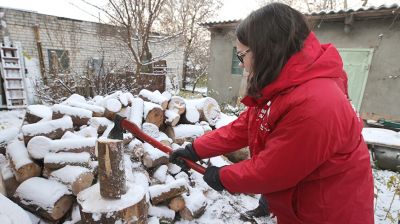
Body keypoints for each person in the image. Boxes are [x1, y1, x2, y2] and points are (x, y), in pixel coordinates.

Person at [170, 3, 374, 224]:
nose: (244, 66)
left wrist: (222, 177)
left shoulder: (316, 104)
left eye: (242, 55)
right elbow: (243, 127)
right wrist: (195, 149)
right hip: (302, 206)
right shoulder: (283, 87)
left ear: (266, 49)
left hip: (329, 213)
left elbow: (272, 171)